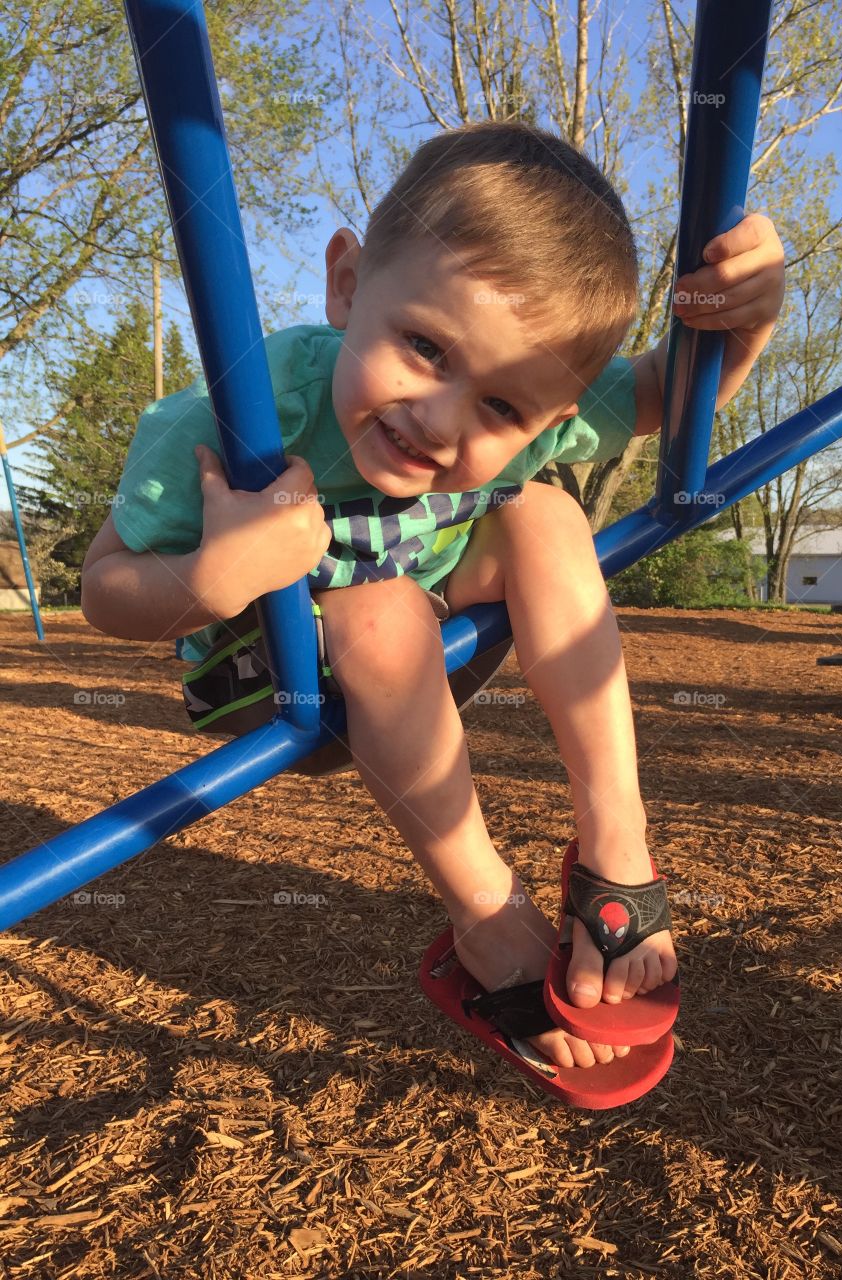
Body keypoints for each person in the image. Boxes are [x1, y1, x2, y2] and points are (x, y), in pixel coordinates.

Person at [81, 121, 785, 1079]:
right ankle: (488, 919)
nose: (442, 420)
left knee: (541, 511)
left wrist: (739, 325)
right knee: (378, 608)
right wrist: (215, 576)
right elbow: (103, 588)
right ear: (346, 284)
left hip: (431, 640)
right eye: (423, 346)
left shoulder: (535, 418)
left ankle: (617, 841)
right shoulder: (227, 418)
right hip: (277, 681)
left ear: (553, 412)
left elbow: (667, 390)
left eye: (503, 408)